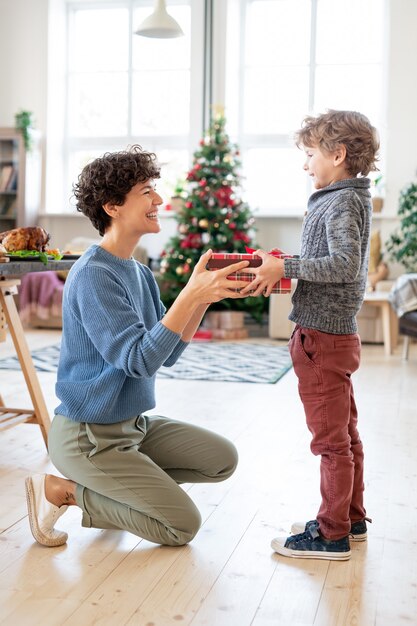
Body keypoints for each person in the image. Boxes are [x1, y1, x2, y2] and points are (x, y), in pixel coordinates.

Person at [25, 145, 250, 548]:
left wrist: (200, 298)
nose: (159, 200)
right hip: (88, 437)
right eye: (147, 191)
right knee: (181, 526)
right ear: (113, 206)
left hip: (134, 428)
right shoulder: (93, 274)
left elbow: (168, 351)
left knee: (222, 460)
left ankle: (122, 485)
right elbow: (138, 360)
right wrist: (189, 296)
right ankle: (65, 491)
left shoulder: (139, 274)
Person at [241, 110, 379, 560]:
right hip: (332, 335)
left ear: (337, 154)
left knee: (331, 443)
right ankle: (350, 518)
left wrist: (289, 267)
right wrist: (284, 261)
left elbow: (342, 265)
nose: (305, 165)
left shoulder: (340, 201)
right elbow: (333, 257)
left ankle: (332, 533)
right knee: (346, 436)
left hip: (321, 336)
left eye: (309, 155)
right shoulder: (342, 197)